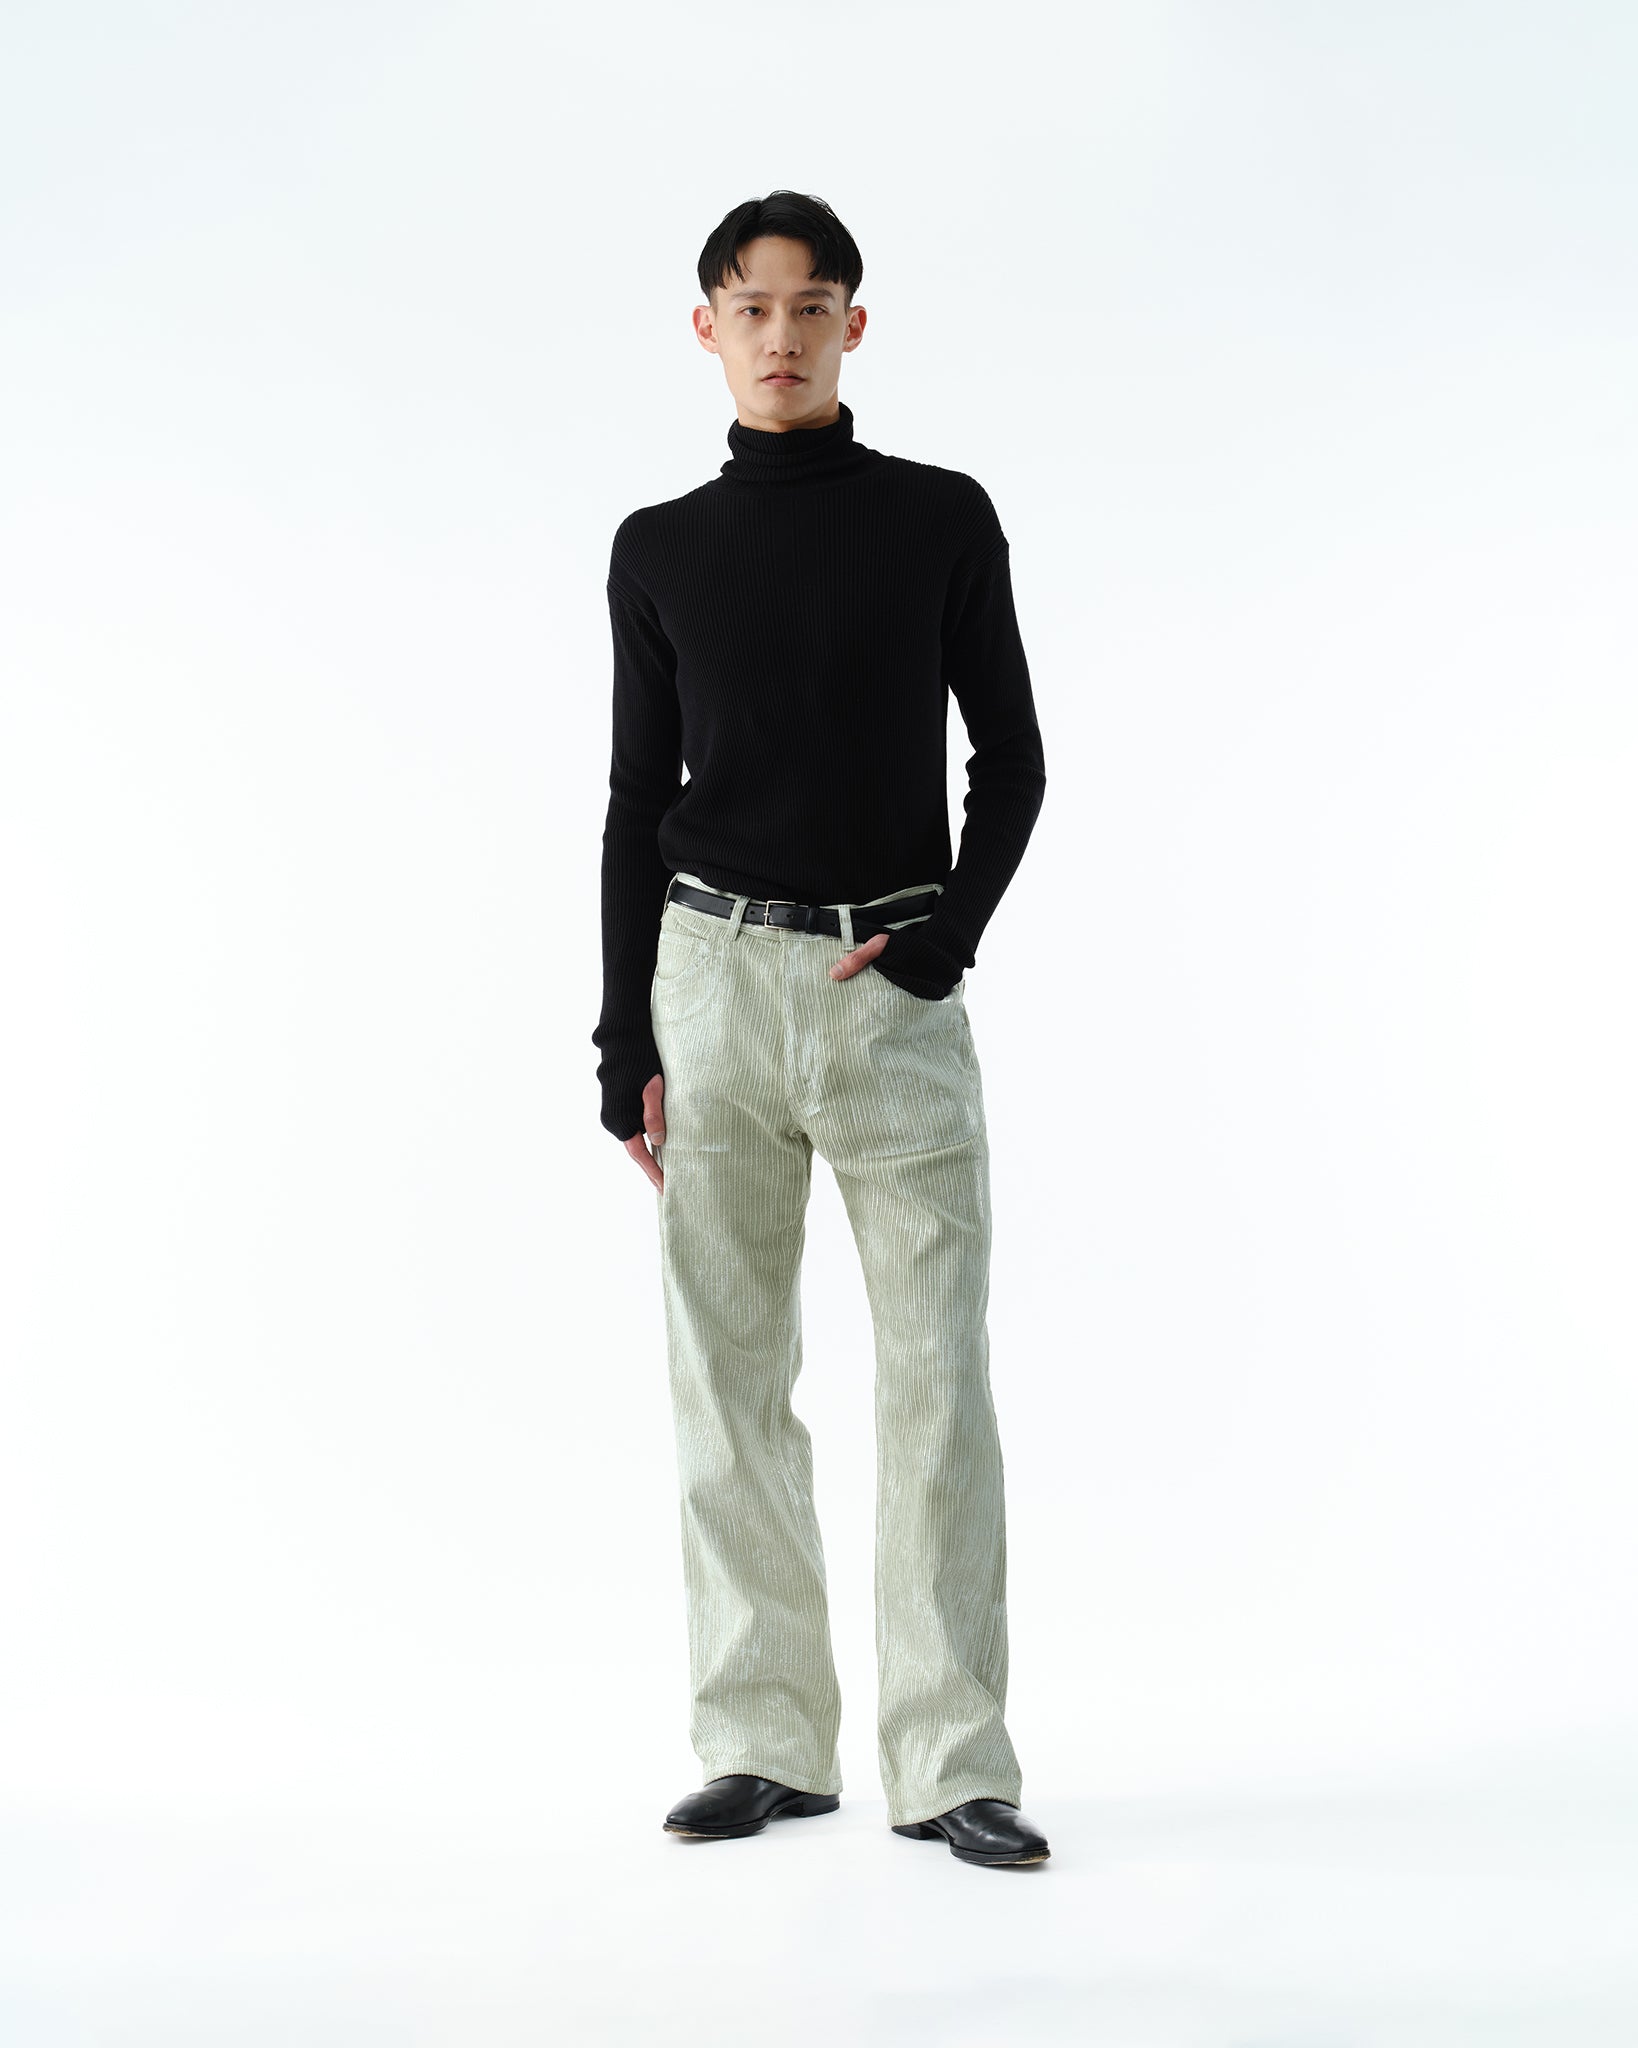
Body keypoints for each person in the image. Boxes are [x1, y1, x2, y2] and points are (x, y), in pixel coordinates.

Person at [591, 190, 1051, 1870]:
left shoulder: (938, 517)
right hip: (707, 982)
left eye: (809, 306)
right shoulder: (657, 547)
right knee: (726, 1380)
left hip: (884, 993)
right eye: (749, 307)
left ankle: (951, 1763)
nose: (778, 335)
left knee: (936, 1379)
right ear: (704, 330)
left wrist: (945, 940)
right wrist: (621, 1042)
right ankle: (763, 1742)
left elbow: (1011, 758)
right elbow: (635, 798)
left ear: (854, 325)